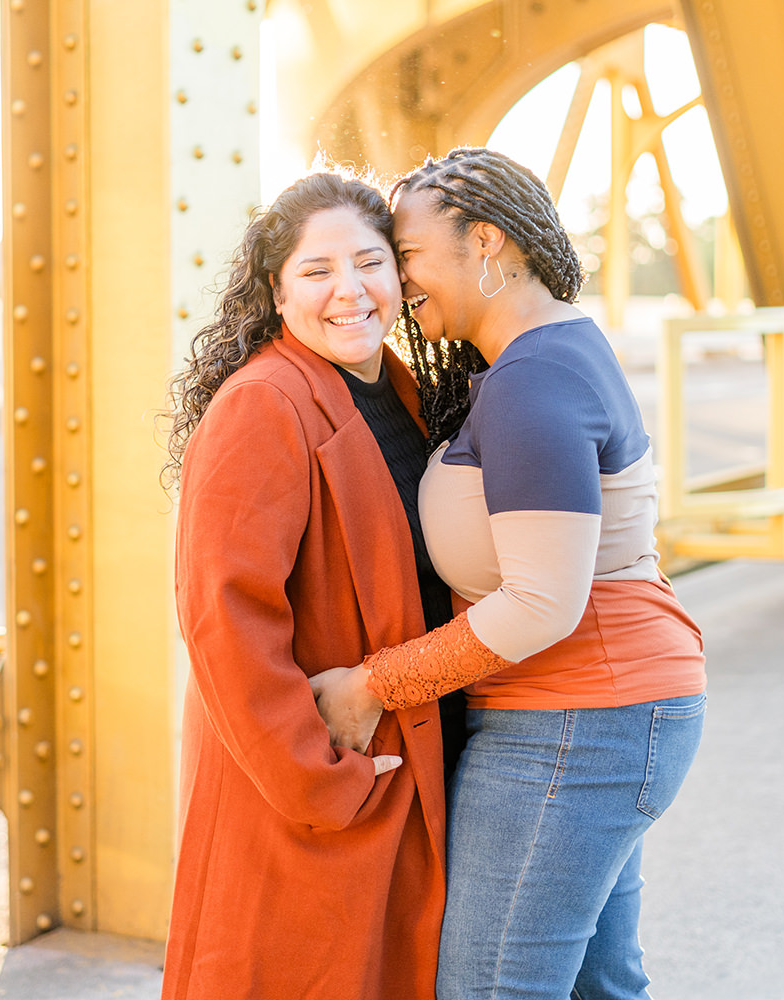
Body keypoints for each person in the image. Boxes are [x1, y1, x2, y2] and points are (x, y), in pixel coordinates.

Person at [310, 147, 708, 1000]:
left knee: (494, 989)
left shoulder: (535, 379)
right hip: (602, 717)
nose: (400, 281)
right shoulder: (540, 359)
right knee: (600, 988)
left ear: (485, 242)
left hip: (577, 726)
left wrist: (374, 686)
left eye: (406, 254)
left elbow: (540, 603)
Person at [160, 171, 451, 999]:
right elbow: (224, 616)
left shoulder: (400, 392)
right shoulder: (263, 403)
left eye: (369, 263)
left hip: (393, 771)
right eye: (317, 272)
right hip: (308, 792)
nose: (348, 291)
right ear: (276, 292)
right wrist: (324, 780)